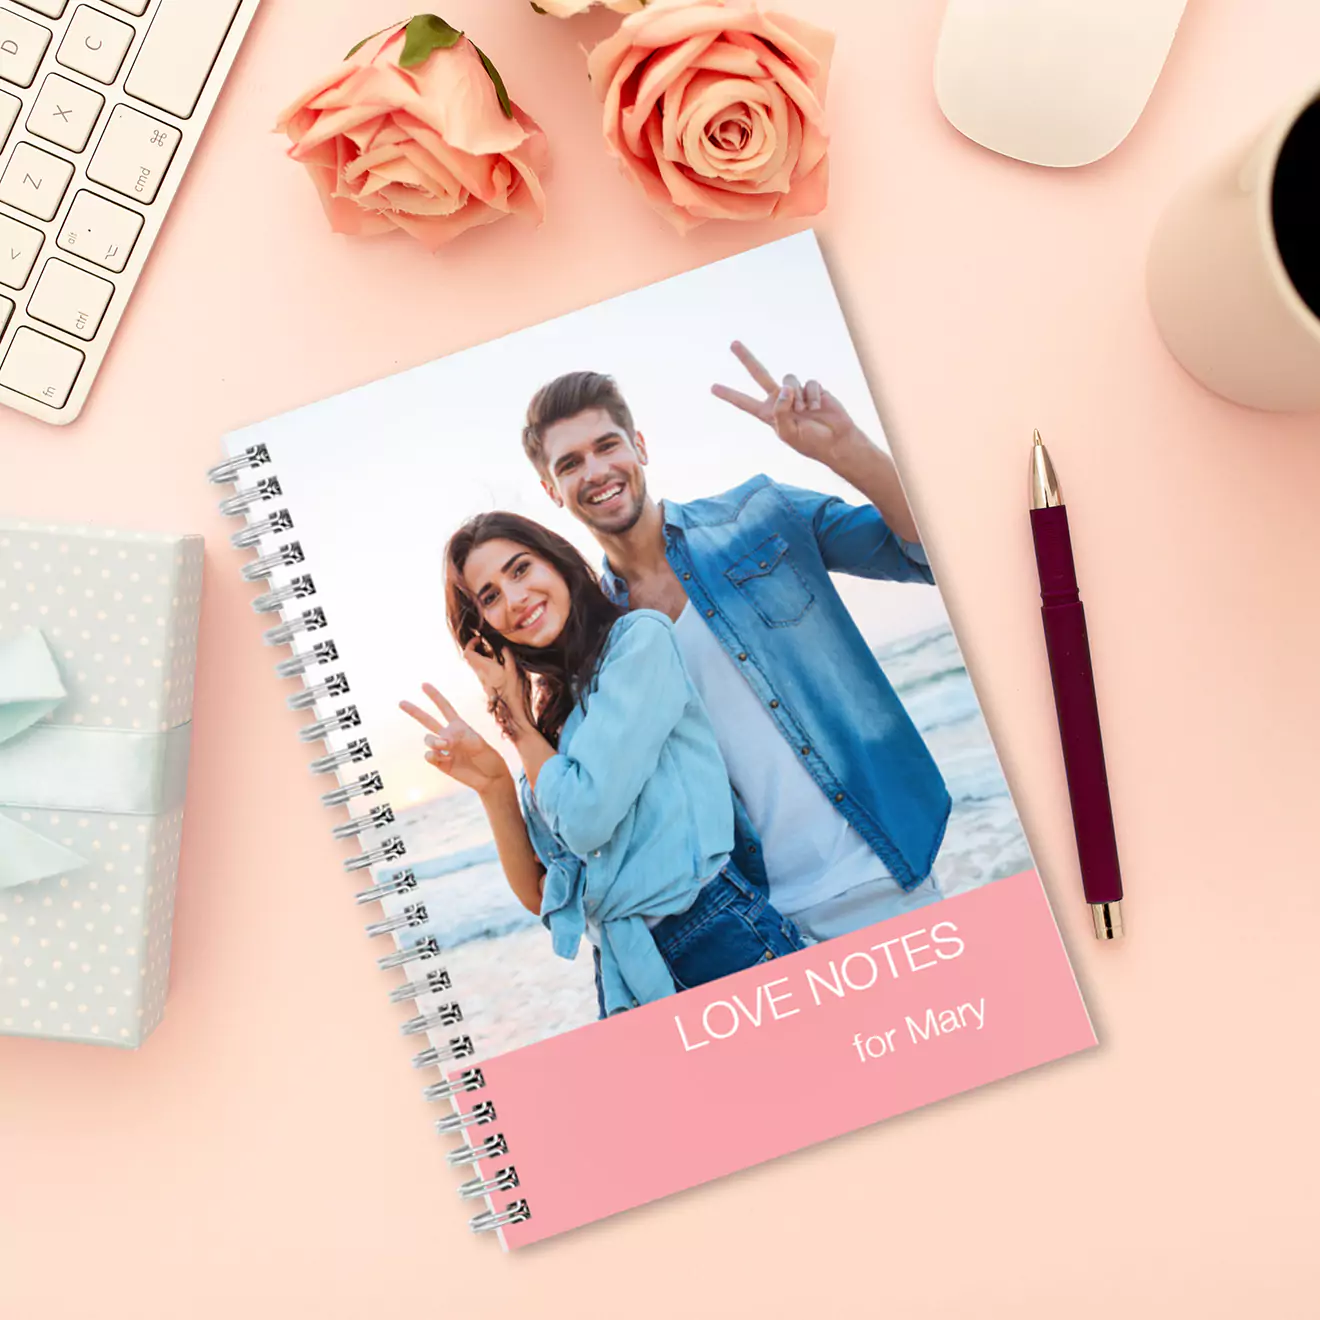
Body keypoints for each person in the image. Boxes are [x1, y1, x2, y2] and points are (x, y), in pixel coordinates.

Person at [519, 344, 952, 944]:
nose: (594, 472)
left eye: (607, 446)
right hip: (756, 927)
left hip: (886, 871)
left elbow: (930, 557)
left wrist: (845, 449)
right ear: (551, 489)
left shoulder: (759, 514)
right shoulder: (590, 639)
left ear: (639, 446)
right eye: (569, 464)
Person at [400, 511, 805, 1018]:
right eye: (489, 597)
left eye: (520, 569)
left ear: (557, 561)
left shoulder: (639, 643)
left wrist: (514, 721)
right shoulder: (550, 719)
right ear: (481, 631)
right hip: (623, 970)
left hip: (719, 940)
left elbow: (587, 817)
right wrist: (494, 783)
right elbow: (544, 894)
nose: (514, 599)